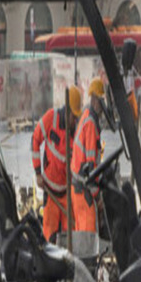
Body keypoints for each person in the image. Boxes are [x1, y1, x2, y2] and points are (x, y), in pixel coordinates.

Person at [31, 86, 83, 242]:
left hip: (67, 194)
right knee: (50, 236)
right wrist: (38, 173)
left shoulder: (76, 132)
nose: (75, 121)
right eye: (74, 117)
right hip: (51, 192)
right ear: (66, 112)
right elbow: (35, 140)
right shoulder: (51, 118)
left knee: (71, 238)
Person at [71, 78, 106, 233]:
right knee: (88, 237)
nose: (101, 106)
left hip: (77, 189)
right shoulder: (91, 124)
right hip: (84, 190)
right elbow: (91, 168)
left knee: (81, 235)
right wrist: (98, 196)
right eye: (100, 100)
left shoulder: (85, 114)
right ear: (93, 99)